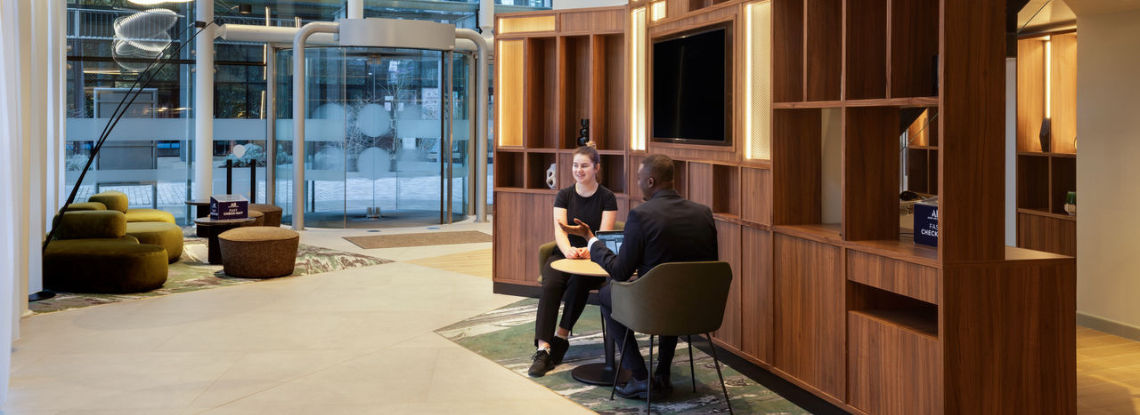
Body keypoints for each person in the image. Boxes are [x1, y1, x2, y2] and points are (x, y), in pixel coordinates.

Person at [560, 154, 717, 400]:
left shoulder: (642, 215)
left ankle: (641, 378)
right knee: (674, 291)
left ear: (651, 181)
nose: (638, 184)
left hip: (654, 309)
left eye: (639, 179)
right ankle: (663, 375)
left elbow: (621, 271)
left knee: (607, 294)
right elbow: (708, 266)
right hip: (700, 310)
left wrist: (592, 240)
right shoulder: (704, 213)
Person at [528, 145, 619, 377]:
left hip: (594, 258)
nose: (579, 170)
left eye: (585, 166)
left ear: (596, 168)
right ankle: (543, 348)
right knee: (551, 284)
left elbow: (604, 235)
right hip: (565, 254)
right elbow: (560, 231)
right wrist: (568, 250)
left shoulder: (607, 197)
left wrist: (589, 251)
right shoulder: (564, 195)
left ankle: (561, 336)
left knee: (579, 281)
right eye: (576, 165)